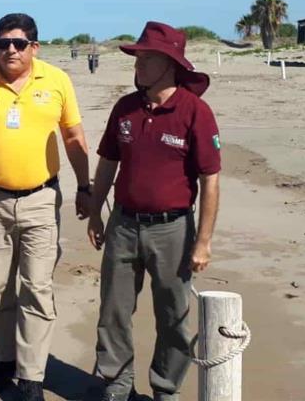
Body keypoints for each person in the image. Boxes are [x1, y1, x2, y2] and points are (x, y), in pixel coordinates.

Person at [0, 13, 91, 401]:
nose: (10, 50)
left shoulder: (56, 80)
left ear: (34, 47)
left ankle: (31, 377)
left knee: (37, 287)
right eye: (2, 43)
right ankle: (5, 361)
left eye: (19, 43)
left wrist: (86, 186)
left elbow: (73, 137)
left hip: (42, 199)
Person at [87, 22, 222, 401]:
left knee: (173, 316)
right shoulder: (125, 108)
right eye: (138, 57)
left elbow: (211, 179)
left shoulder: (195, 111)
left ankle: (165, 388)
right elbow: (106, 164)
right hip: (124, 224)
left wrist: (203, 242)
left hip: (173, 229)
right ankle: (116, 381)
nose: (138, 64)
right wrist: (97, 212)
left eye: (147, 58)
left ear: (170, 64)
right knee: (113, 310)